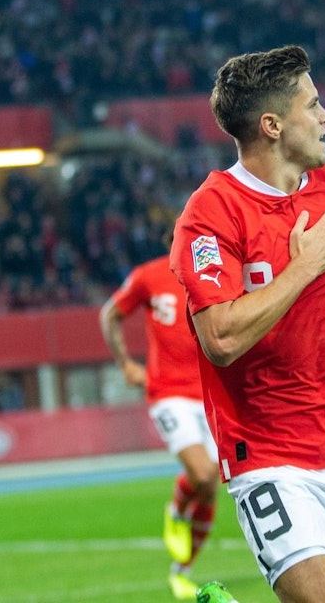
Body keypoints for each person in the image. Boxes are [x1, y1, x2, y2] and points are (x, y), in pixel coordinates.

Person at [170, 45, 325, 603]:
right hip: (270, 455)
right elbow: (222, 339)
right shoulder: (211, 214)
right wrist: (304, 267)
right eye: (314, 104)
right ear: (273, 125)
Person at [99, 255, 233, 602]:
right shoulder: (149, 276)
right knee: (202, 474)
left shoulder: (217, 275)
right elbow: (110, 314)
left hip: (210, 392)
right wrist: (125, 363)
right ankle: (176, 511)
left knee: (211, 485)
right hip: (169, 392)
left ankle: (182, 570)